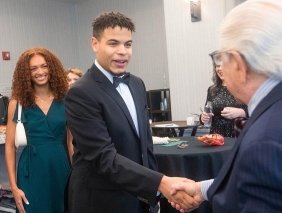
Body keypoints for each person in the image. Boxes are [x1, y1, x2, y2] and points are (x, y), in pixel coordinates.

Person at [169, 0, 282, 212]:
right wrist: (202, 189)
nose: (220, 67)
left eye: (221, 58)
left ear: (239, 64)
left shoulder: (271, 143)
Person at [64, 12, 195, 213]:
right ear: (95, 44)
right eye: (113, 43)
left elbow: (146, 145)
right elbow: (103, 157)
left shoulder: (137, 84)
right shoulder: (80, 93)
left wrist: (154, 197)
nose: (122, 51)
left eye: (128, 44)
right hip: (102, 200)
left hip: (139, 197)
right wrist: (160, 183)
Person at [5, 47, 71, 213]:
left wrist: (78, 175)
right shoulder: (17, 103)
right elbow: (9, 147)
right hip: (31, 172)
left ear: (52, 68)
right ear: (26, 73)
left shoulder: (66, 100)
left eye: (44, 66)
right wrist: (13, 187)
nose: (40, 72)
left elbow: (71, 143)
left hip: (61, 168)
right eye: (33, 68)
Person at [200, 60, 247, 137]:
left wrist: (242, 112)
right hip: (216, 139)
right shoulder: (212, 90)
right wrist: (203, 118)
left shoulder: (244, 88)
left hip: (238, 137)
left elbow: (258, 112)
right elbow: (207, 113)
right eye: (218, 66)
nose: (220, 68)